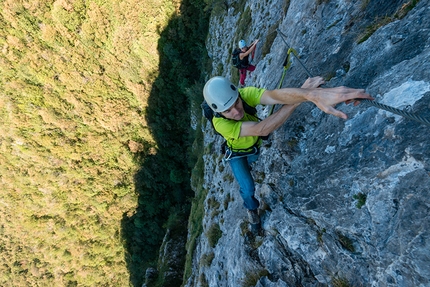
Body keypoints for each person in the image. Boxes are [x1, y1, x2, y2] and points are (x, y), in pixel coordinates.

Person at [203, 76, 374, 225]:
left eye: (236, 103)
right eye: (228, 110)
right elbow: (261, 129)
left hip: (253, 148)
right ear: (218, 112)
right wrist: (304, 97)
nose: (236, 111)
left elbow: (274, 95)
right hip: (238, 155)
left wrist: (310, 94)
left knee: (251, 165)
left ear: (238, 95)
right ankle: (252, 209)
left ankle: (251, 171)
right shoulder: (221, 124)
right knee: (247, 188)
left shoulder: (244, 94)